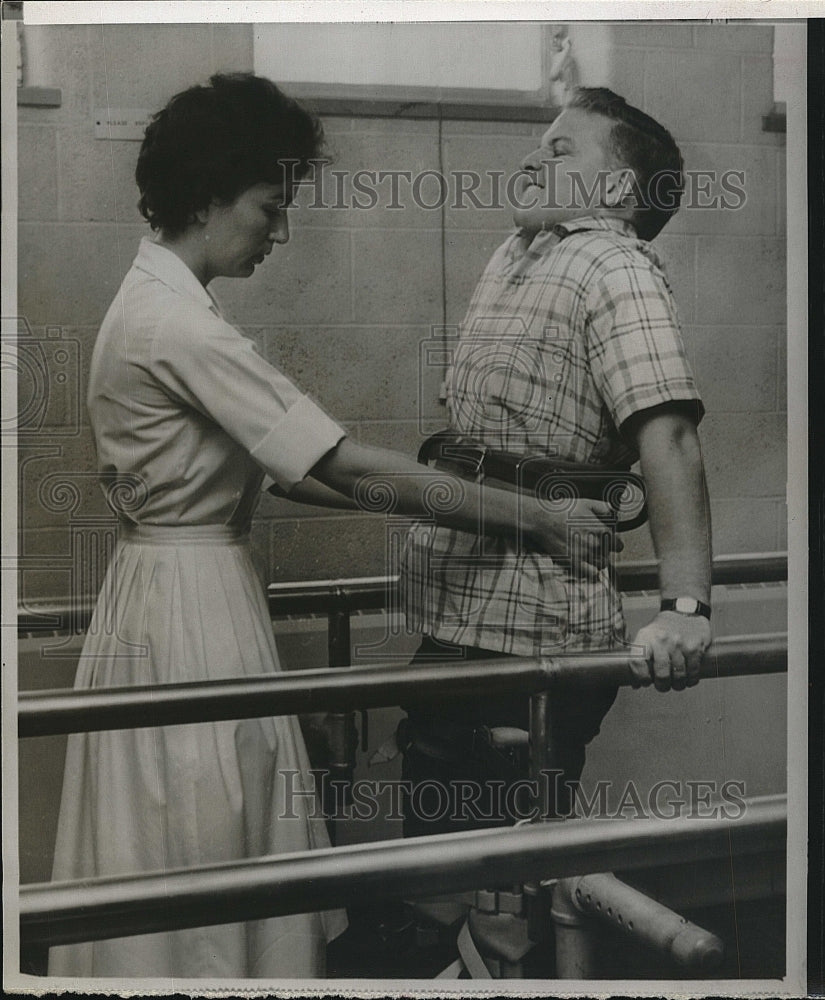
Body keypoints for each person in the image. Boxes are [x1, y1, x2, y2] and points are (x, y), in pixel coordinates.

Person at [46, 74, 620, 980]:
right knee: (205, 821)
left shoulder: (155, 304)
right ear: (208, 196)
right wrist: (535, 515)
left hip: (169, 592)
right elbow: (340, 462)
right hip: (189, 610)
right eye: (269, 209)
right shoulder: (178, 328)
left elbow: (299, 474)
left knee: (184, 822)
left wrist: (425, 498)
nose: (279, 233)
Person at [397, 87, 713, 836]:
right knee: (430, 871)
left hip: (535, 622)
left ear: (613, 189)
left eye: (559, 149)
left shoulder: (616, 265)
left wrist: (686, 609)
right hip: (457, 608)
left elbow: (665, 436)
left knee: (504, 886)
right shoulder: (520, 253)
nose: (531, 158)